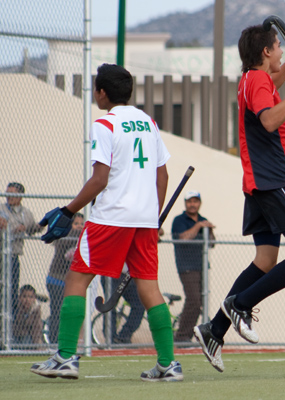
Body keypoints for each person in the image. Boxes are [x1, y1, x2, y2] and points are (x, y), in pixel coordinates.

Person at [30, 63, 182, 382]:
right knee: (150, 288)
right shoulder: (148, 122)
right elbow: (163, 174)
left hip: (111, 217)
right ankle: (168, 364)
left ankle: (66, 358)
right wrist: (152, 217)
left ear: (101, 93)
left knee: (76, 281)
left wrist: (69, 210)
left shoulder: (104, 124)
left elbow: (100, 180)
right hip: (144, 220)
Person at [193, 25, 285, 373]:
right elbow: (269, 120)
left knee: (265, 260)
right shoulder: (255, 81)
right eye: (279, 47)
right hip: (274, 182)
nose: (280, 50)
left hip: (260, 183)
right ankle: (241, 304)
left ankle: (214, 330)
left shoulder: (255, 80)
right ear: (266, 52)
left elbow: (273, 86)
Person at [171, 190, 215, 343]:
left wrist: (208, 228)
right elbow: (183, 238)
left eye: (195, 201)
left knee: (201, 302)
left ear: (199, 203)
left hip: (202, 266)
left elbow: (212, 244)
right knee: (194, 300)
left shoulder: (203, 220)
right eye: (190, 201)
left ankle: (199, 336)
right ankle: (182, 337)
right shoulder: (179, 220)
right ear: (185, 203)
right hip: (187, 267)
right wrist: (198, 226)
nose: (192, 204)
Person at [0, 182, 43, 317]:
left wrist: (40, 226)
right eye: (7, 193)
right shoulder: (1, 210)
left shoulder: (26, 213)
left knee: (12, 290)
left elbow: (31, 230)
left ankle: (9, 325)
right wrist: (12, 229)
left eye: (12, 194)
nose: (8, 197)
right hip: (2, 254)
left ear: (20, 196)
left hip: (13, 256)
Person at [46, 212, 84, 344]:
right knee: (57, 311)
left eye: (81, 224)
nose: (79, 227)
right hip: (56, 280)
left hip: (70, 282)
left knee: (71, 312)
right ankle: (54, 341)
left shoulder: (81, 239)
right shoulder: (64, 236)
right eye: (76, 224)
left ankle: (67, 340)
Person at [101, 267, 145, 344]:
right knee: (111, 306)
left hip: (129, 275)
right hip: (113, 274)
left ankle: (124, 336)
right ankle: (110, 339)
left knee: (140, 304)